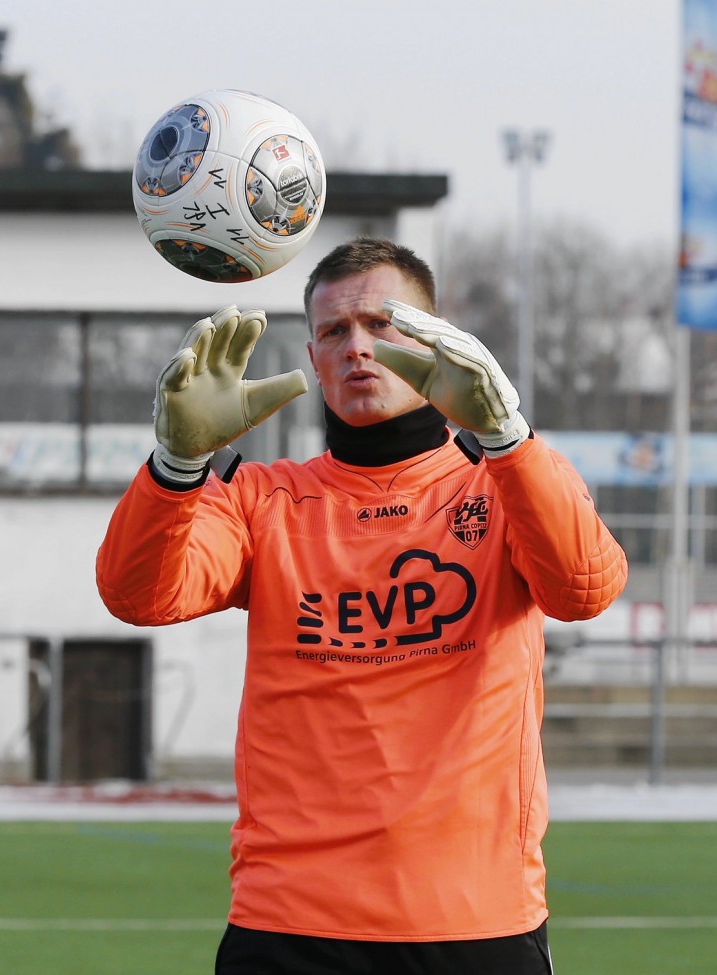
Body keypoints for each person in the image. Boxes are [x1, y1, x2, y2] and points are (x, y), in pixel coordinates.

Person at [96, 238, 628, 974]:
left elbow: (585, 589)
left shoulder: (506, 480)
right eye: (334, 333)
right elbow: (139, 595)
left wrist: (507, 437)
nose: (358, 347)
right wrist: (176, 467)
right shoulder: (260, 497)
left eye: (383, 324)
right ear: (313, 361)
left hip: (475, 919)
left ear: (434, 341)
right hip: (291, 924)